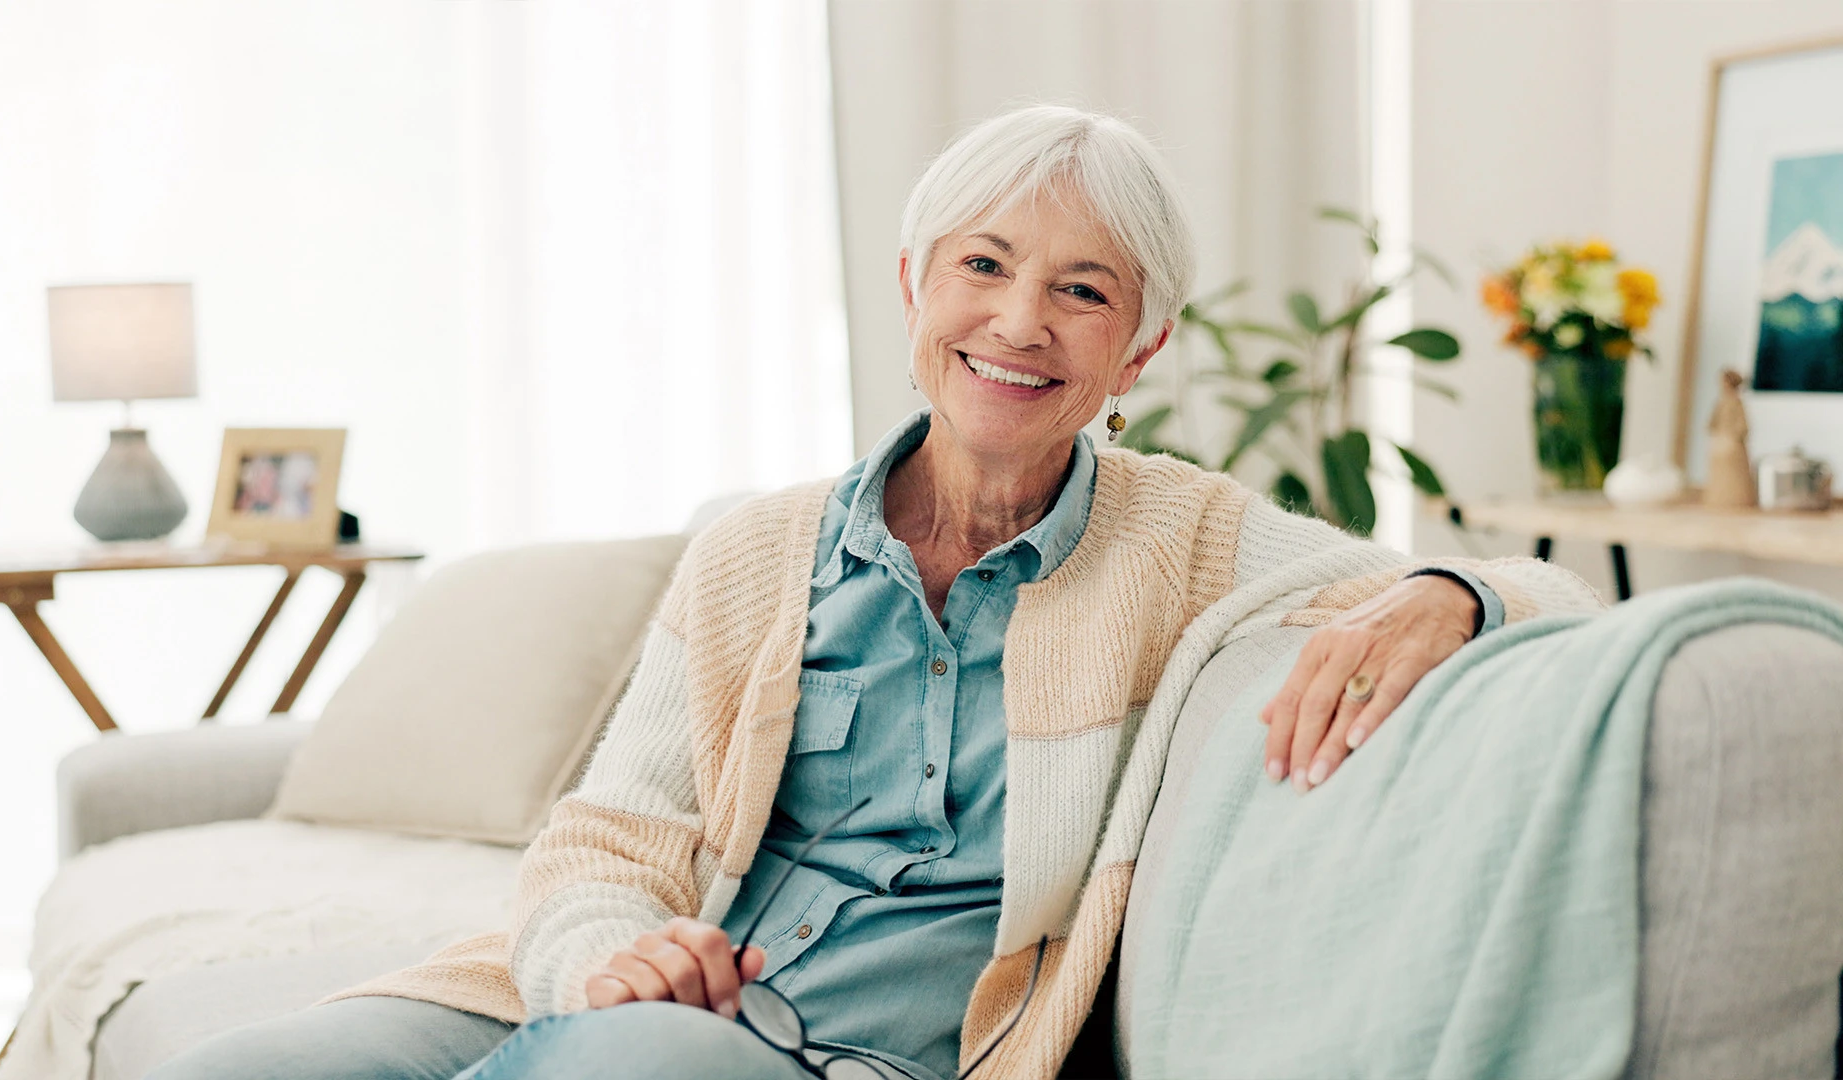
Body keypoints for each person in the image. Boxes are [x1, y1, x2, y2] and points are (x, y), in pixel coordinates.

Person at [151, 105, 1598, 1080]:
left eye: (1085, 293)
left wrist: (1453, 595)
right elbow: (610, 834)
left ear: (1137, 354)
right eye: (986, 265)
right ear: (914, 283)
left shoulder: (1183, 539)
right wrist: (606, 958)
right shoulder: (757, 553)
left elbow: (1556, 601)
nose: (1021, 322)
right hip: (632, 1008)